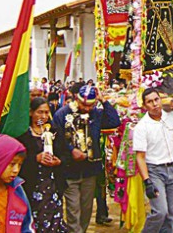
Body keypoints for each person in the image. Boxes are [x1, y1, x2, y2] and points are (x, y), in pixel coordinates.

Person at [52, 85, 121, 233]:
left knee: (87, 208)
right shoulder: (62, 114)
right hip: (70, 171)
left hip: (90, 171)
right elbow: (56, 140)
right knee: (73, 209)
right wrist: (71, 151)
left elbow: (114, 122)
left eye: (91, 105)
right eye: (84, 104)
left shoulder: (96, 113)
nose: (87, 108)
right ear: (76, 99)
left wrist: (104, 101)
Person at [133, 88, 173, 232]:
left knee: (172, 214)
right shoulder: (142, 127)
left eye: (156, 99)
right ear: (145, 106)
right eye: (150, 102)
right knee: (160, 211)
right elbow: (140, 157)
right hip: (155, 171)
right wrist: (147, 181)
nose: (154, 104)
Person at [18, 97, 68, 232]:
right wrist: (35, 158)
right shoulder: (23, 134)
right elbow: (17, 159)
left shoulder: (55, 131)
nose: (44, 116)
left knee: (53, 221)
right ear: (31, 112)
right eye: (40, 112)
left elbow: (65, 153)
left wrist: (59, 161)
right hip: (32, 185)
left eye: (46, 112)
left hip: (52, 185)